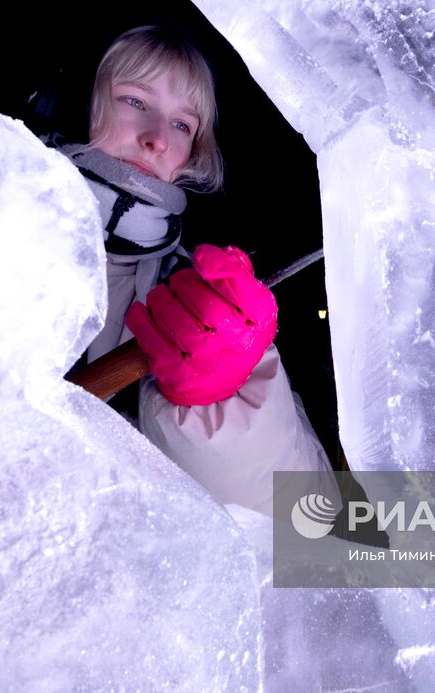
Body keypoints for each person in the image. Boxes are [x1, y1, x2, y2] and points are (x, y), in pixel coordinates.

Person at [57, 25, 333, 516]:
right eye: (135, 101)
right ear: (77, 106)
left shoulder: (191, 300)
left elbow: (308, 522)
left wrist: (216, 404)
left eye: (183, 125)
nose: (158, 139)